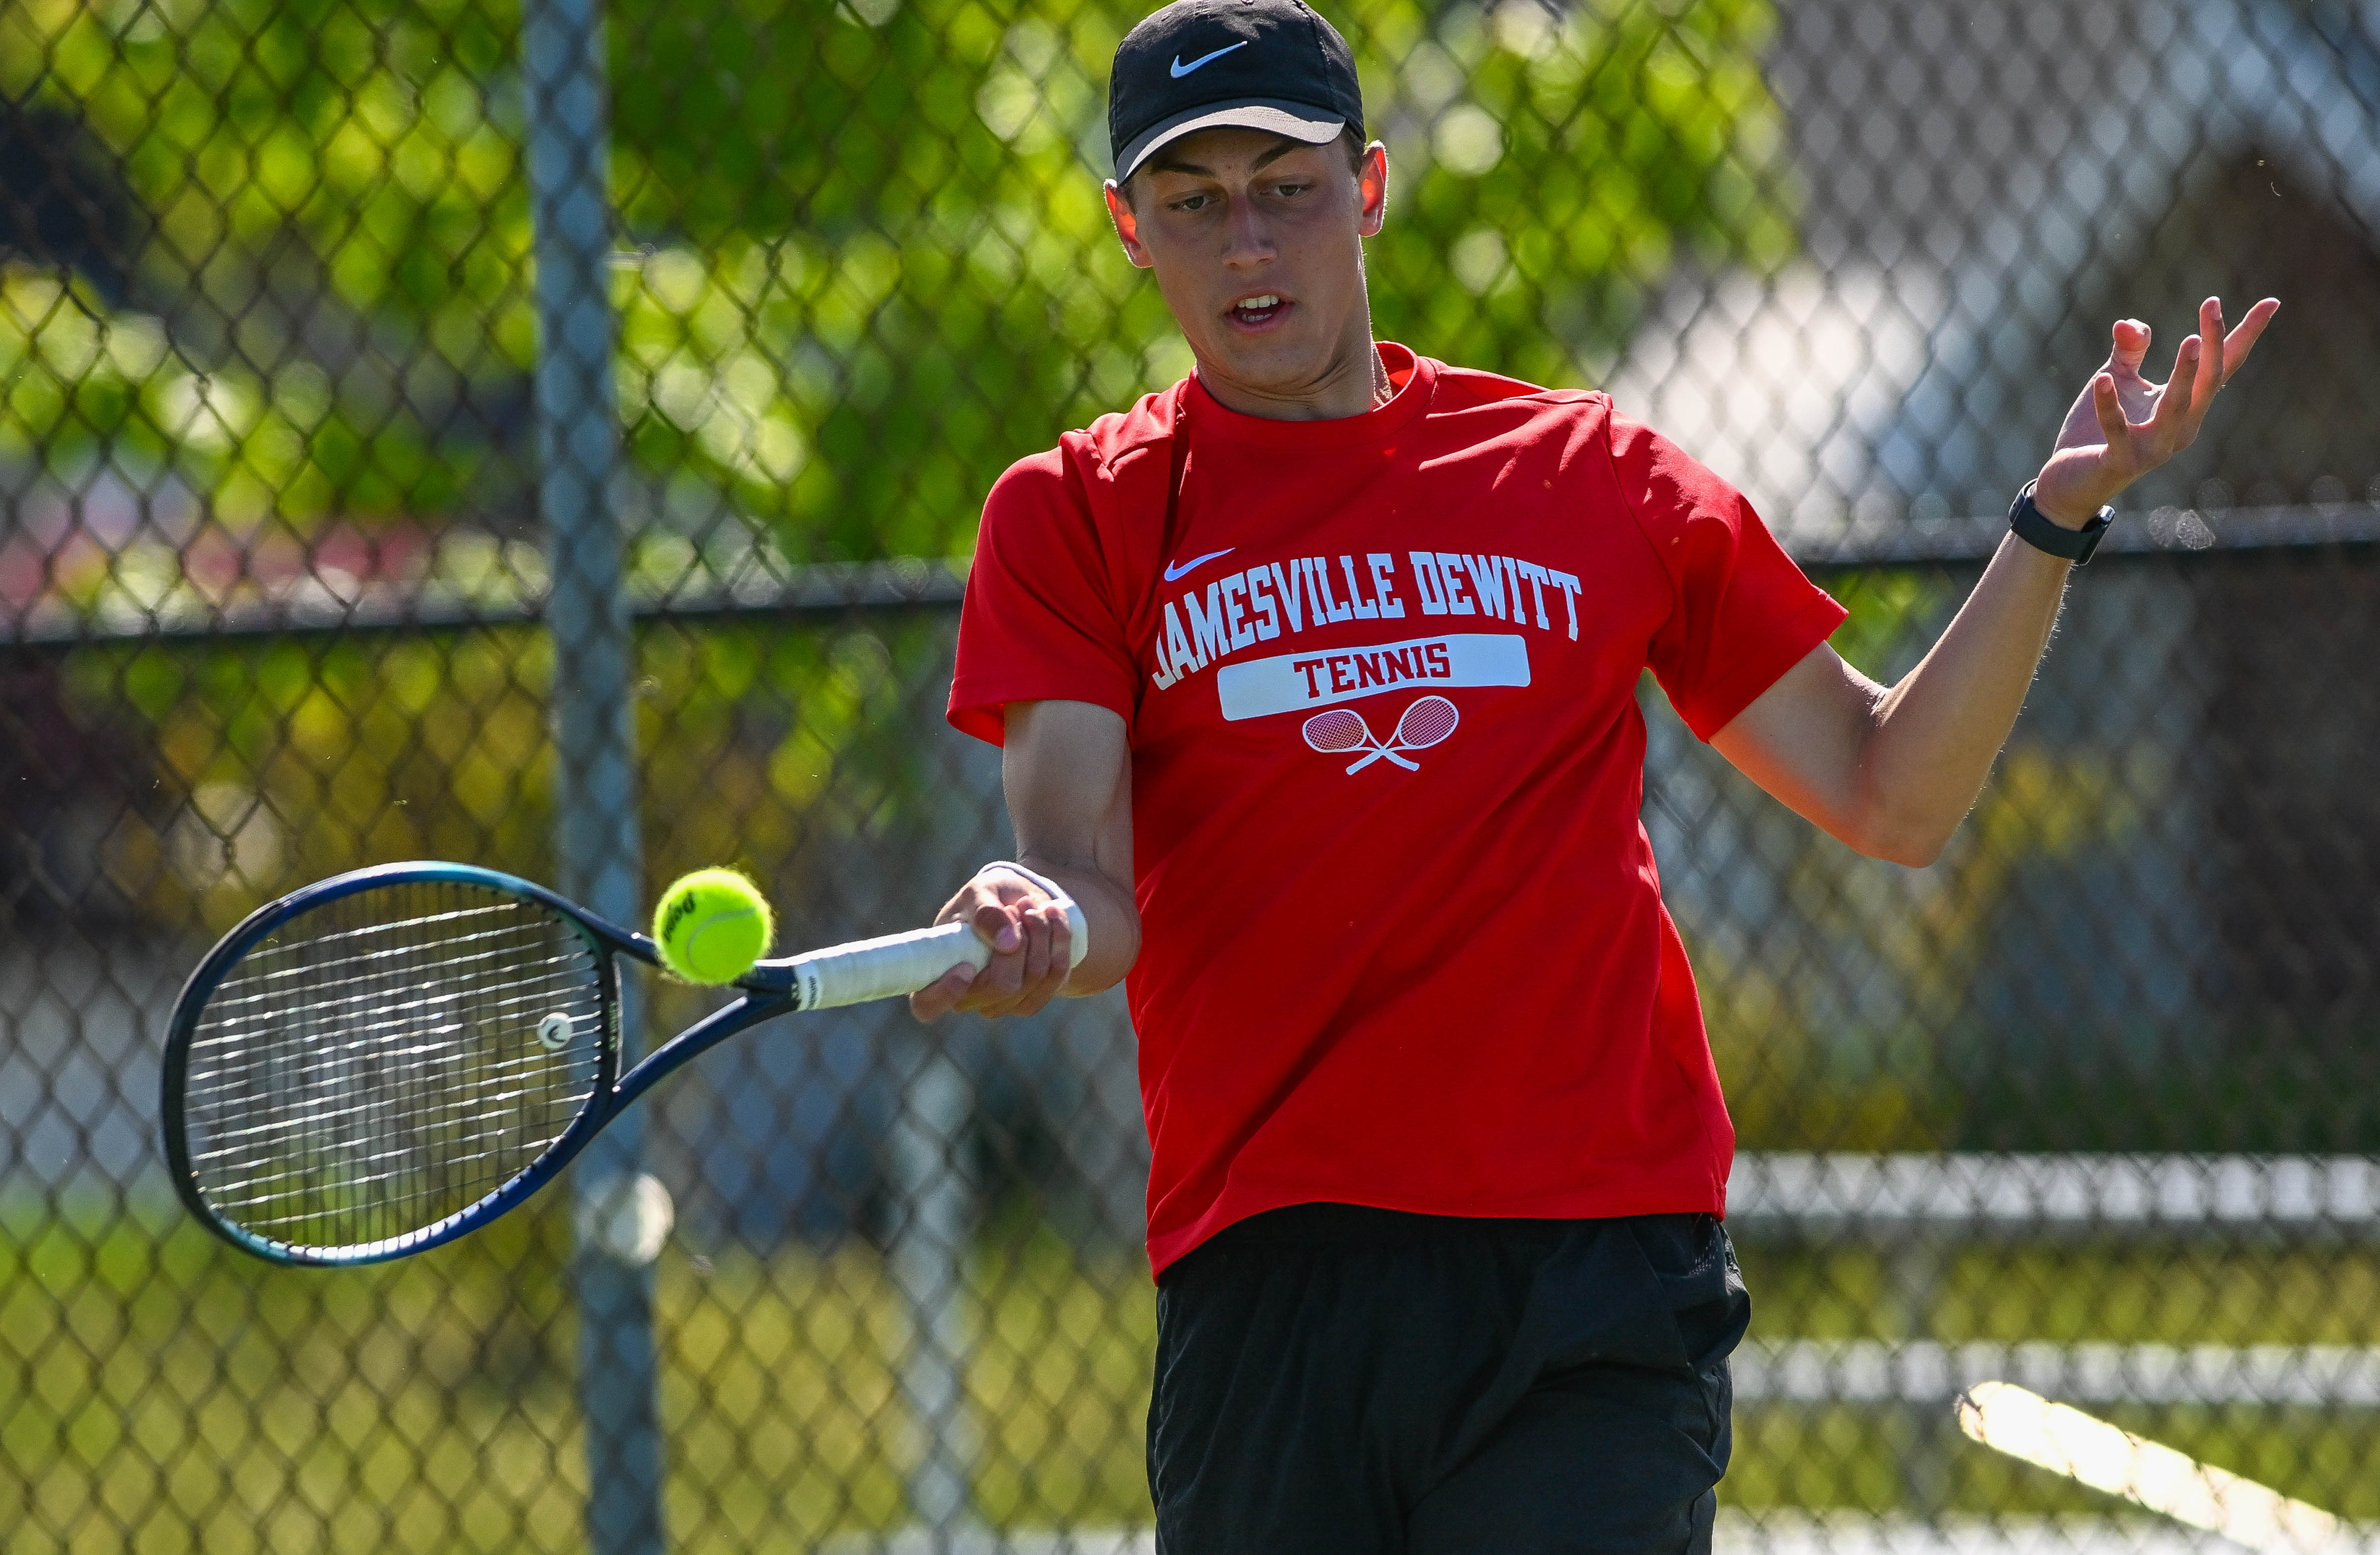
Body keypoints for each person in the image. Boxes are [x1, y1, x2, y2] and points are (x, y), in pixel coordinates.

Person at [907, 0, 2277, 1548]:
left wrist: (2052, 517)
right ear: (1127, 229)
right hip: (1273, 1269)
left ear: (1367, 187)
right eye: (1193, 201)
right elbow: (1088, 882)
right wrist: (1033, 911)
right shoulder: (1074, 514)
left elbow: (1892, 792)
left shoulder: (1590, 478)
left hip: (1595, 1272)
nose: (1245, 245)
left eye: (1285, 187)